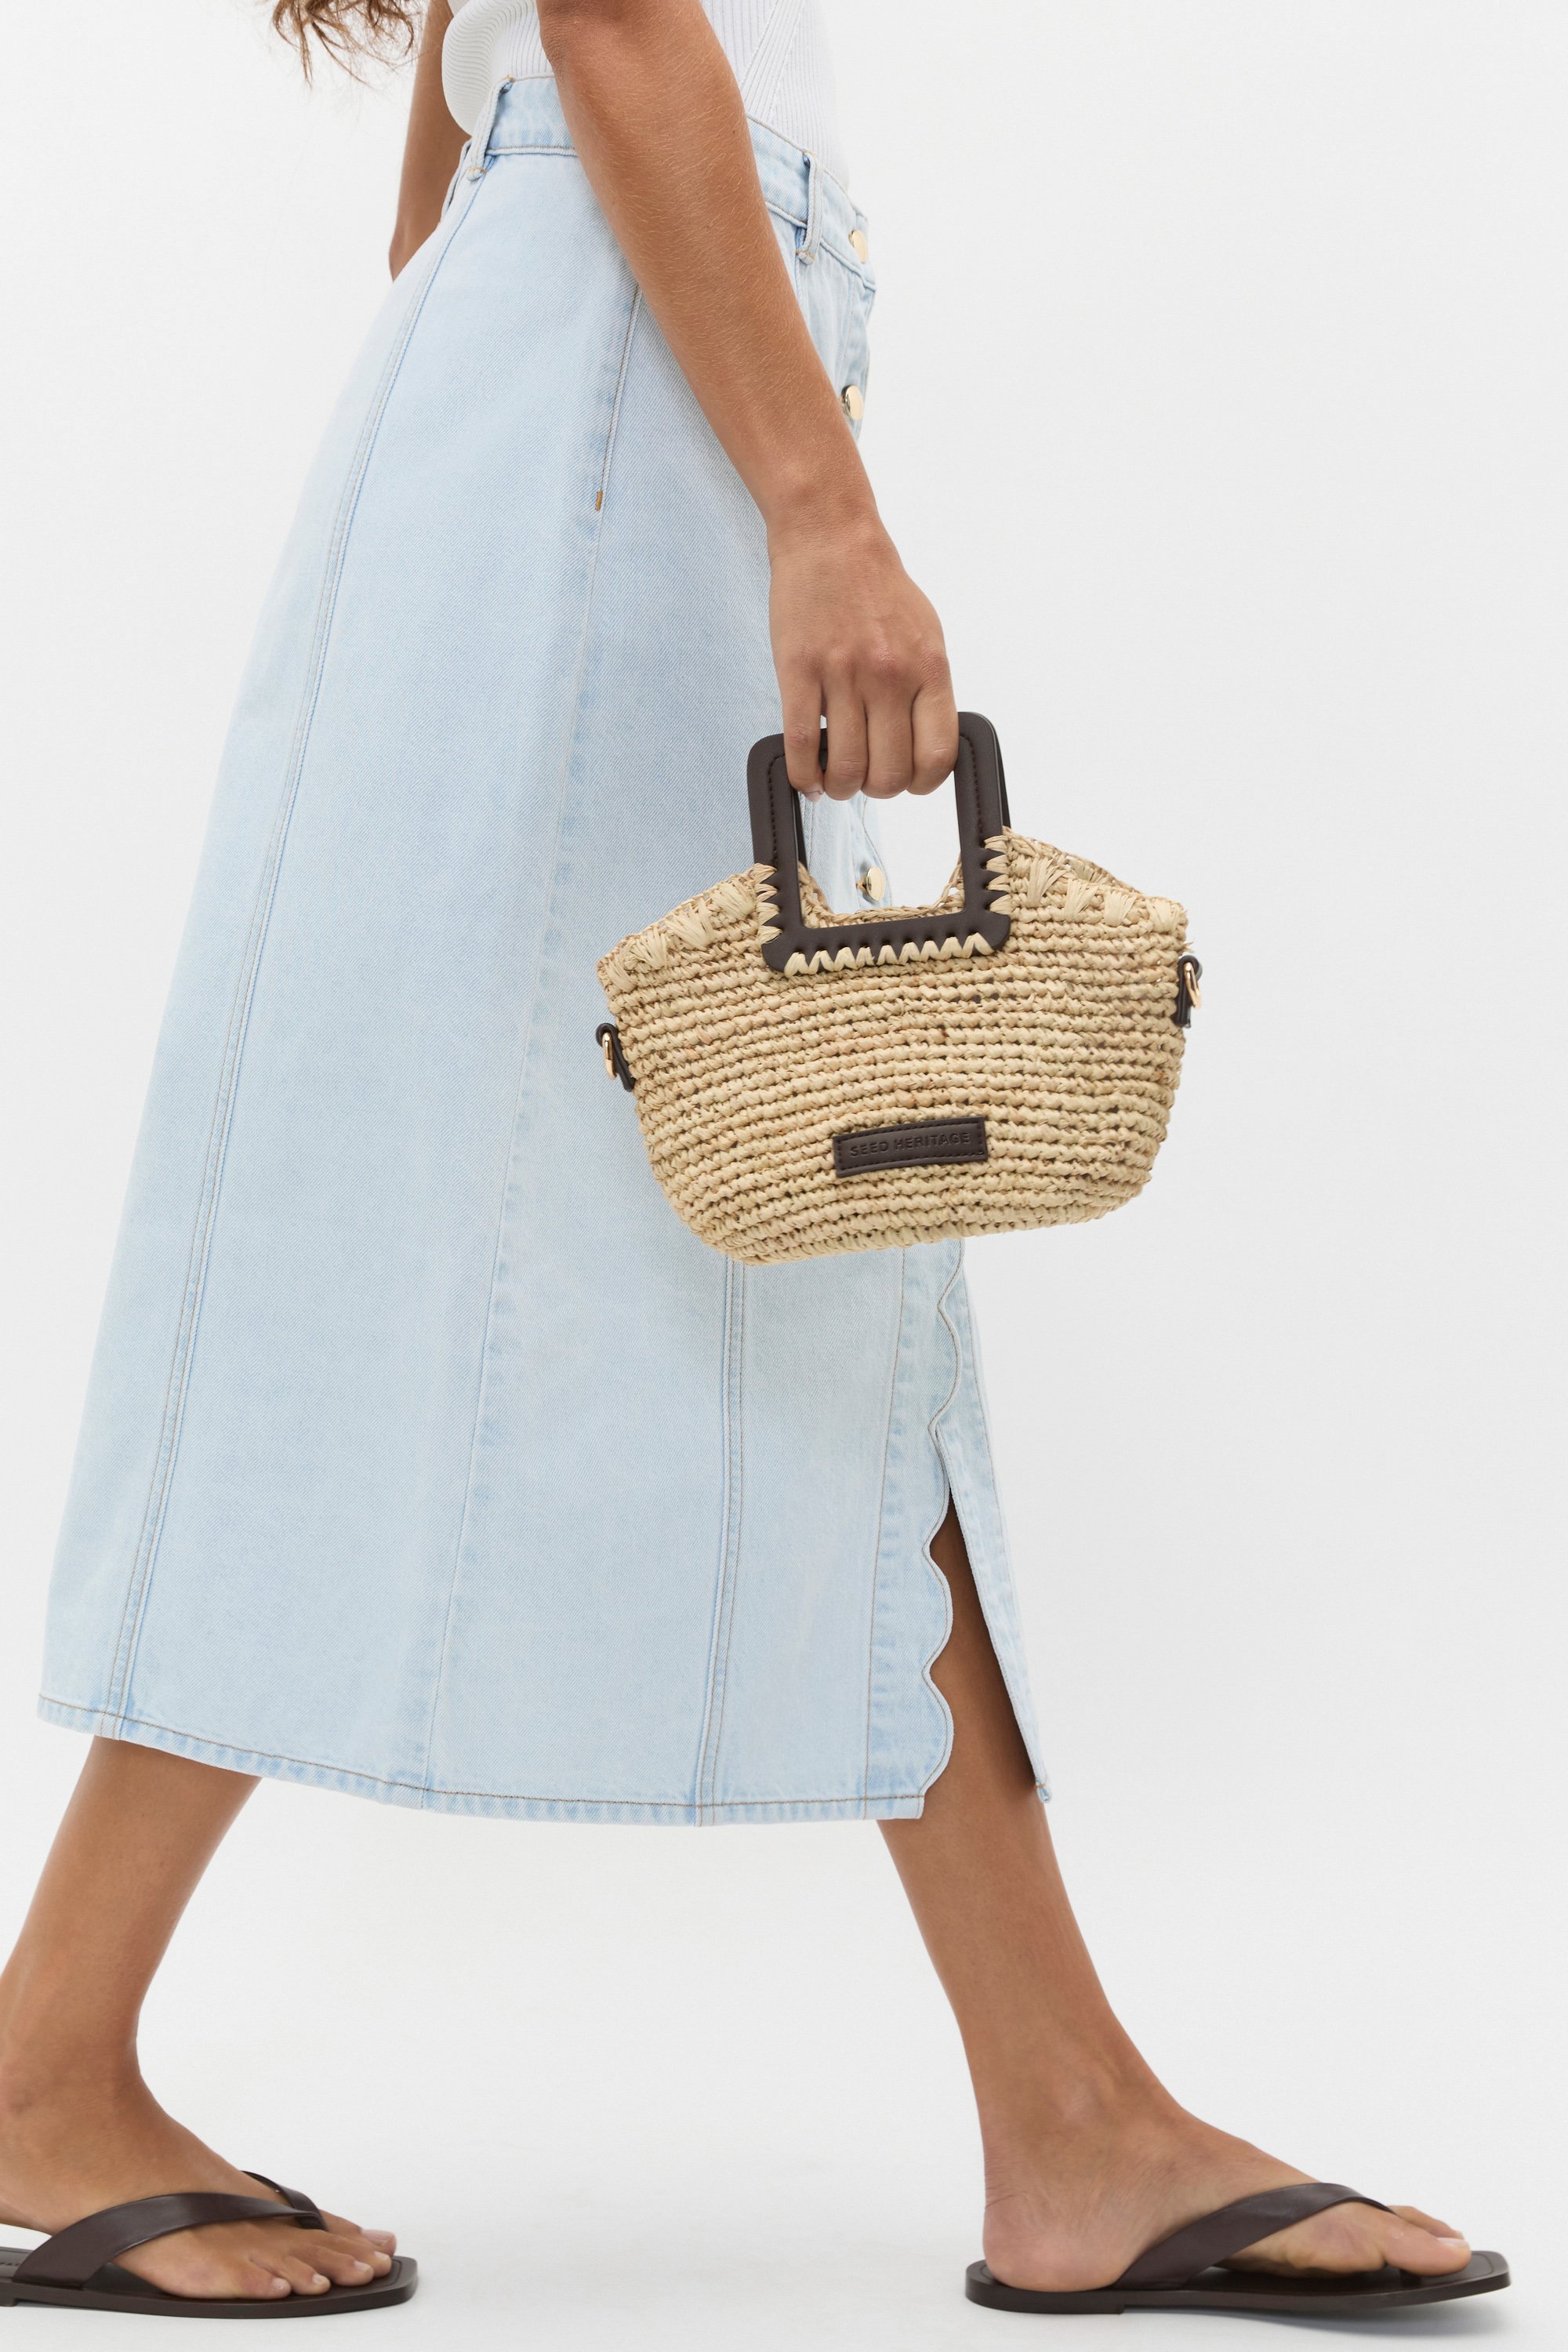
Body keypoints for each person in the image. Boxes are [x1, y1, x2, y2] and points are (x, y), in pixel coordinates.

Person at [0, 0, 1496, 2321]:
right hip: (608, 407)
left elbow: (476, 124)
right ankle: (45, 2062)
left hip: (583, 401)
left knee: (723, 1230)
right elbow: (606, 22)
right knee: (693, 1227)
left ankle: (1064, 2112)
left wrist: (645, 434)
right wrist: (812, 503)